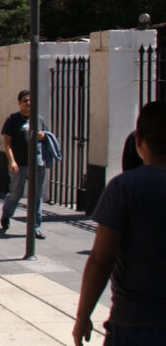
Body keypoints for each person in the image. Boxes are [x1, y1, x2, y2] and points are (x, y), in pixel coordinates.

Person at [73, 101, 166, 346]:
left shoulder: (125, 188)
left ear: (139, 142)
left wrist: (83, 315)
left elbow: (101, 260)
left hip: (134, 325)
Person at [0, 89, 48, 238]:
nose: (28, 103)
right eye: (25, 101)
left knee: (36, 196)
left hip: (37, 164)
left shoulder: (39, 120)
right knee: (15, 194)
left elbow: (47, 139)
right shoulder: (13, 119)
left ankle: (36, 227)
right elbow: (7, 143)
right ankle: (6, 215)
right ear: (19, 103)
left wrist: (42, 136)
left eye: (30, 101)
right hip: (19, 164)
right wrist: (12, 161)